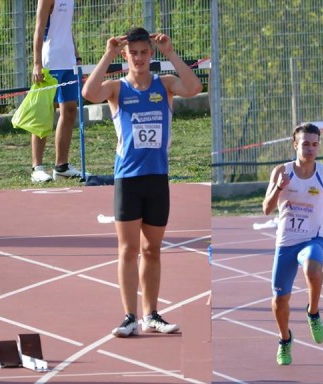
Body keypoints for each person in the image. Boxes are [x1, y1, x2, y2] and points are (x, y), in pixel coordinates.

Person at [82, 27, 202, 337]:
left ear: (151, 54)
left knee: (152, 250)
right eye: (133, 53)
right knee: (128, 250)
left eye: (144, 52)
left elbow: (194, 87)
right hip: (128, 180)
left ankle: (152, 314)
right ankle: (129, 316)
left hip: (157, 179)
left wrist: (171, 53)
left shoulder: (165, 85)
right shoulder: (117, 89)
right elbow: (88, 94)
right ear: (126, 55)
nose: (138, 57)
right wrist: (107, 54)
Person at [262, 123, 323, 365]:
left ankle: (313, 312)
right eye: (305, 144)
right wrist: (279, 187)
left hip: (312, 239)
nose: (310, 148)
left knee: (313, 269)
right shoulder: (281, 172)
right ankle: (285, 340)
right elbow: (266, 209)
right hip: (285, 243)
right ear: (295, 145)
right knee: (280, 300)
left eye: (315, 144)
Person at [30, 0, 87, 182]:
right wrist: (37, 64)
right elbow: (39, 28)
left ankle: (61, 166)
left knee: (70, 110)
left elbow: (66, 29)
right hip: (50, 61)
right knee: (45, 113)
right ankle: (37, 167)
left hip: (68, 60)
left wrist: (76, 56)